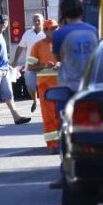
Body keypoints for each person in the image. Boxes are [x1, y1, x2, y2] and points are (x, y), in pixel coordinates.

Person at [0, 15, 32, 126]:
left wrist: (8, 66)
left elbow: (0, 54)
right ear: (5, 24)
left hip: (4, 69)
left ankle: (16, 117)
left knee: (8, 94)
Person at [27, 18, 61, 149]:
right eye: (52, 29)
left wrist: (60, 64)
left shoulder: (62, 44)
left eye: (56, 28)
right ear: (46, 30)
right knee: (48, 117)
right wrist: (44, 65)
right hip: (45, 88)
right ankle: (52, 145)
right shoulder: (38, 46)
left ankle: (63, 143)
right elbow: (30, 67)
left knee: (62, 116)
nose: (55, 31)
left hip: (61, 86)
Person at [13, 13, 45, 113]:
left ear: (42, 21)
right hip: (31, 63)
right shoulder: (28, 33)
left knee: (45, 85)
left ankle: (46, 104)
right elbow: (20, 47)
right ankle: (35, 101)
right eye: (34, 20)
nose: (36, 22)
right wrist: (15, 60)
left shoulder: (46, 33)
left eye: (38, 20)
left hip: (44, 63)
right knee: (30, 85)